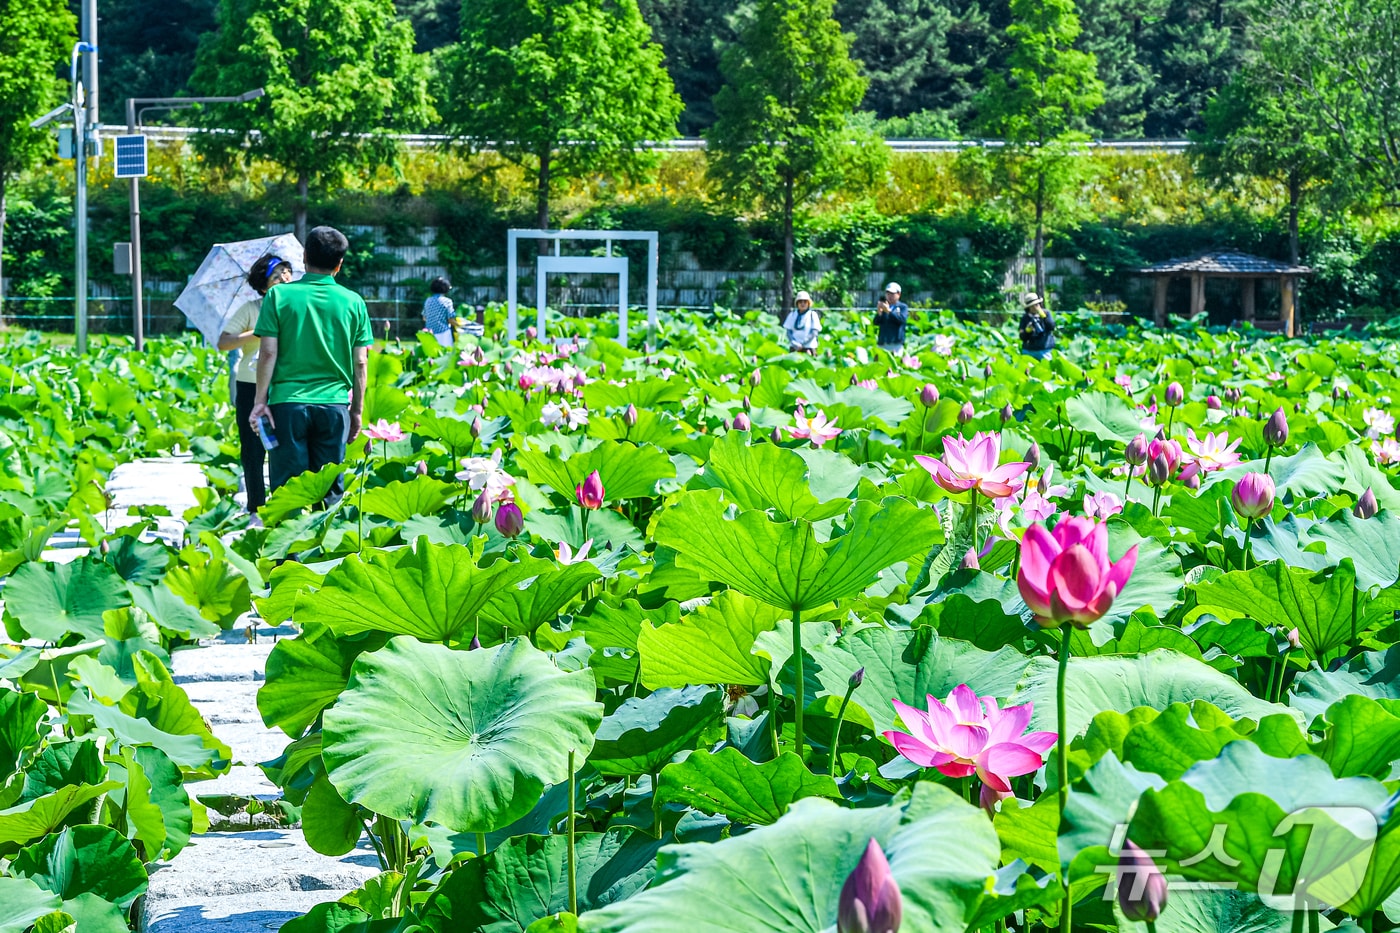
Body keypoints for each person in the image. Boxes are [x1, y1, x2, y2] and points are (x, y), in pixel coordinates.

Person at [249, 226, 373, 503]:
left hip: (286, 405)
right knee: (329, 493)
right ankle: (325, 546)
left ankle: (290, 547)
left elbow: (267, 354)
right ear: (339, 265)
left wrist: (260, 401)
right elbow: (361, 362)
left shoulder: (277, 297)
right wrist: (356, 411)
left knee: (287, 494)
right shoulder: (354, 302)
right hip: (334, 405)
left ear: (304, 257)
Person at [219, 254, 293, 517]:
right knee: (253, 449)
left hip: (284, 385)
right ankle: (256, 509)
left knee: (285, 449)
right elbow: (224, 342)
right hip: (250, 385)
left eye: (287, 272)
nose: (284, 278)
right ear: (263, 286)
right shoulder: (251, 309)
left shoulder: (296, 307)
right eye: (277, 276)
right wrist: (258, 331)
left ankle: (283, 507)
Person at [874, 282, 909, 351]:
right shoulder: (884, 306)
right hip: (883, 342)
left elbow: (901, 320)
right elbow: (876, 322)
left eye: (892, 294)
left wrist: (889, 311)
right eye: (888, 293)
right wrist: (879, 312)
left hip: (896, 343)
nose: (889, 296)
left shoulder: (903, 307)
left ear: (899, 294)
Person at [1019, 292, 1055, 358]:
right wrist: (1027, 331)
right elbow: (1022, 337)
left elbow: (1052, 327)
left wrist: (1044, 317)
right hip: (1029, 350)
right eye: (1033, 305)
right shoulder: (1025, 318)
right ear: (1029, 307)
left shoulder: (1046, 313)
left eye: (1037, 304)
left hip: (1045, 349)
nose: (1035, 307)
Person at [422, 276, 454, 346]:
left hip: (430, 333)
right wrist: (460, 325)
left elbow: (424, 318)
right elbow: (450, 319)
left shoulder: (428, 301)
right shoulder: (447, 301)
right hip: (443, 334)